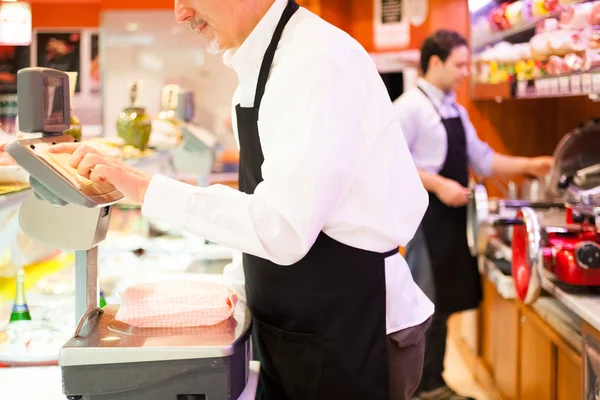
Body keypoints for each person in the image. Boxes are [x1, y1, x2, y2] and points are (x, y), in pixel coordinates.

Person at [49, 1, 434, 399]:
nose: (181, 14)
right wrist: (232, 291)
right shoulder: (261, 68)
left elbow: (283, 227)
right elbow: (263, 199)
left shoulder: (317, 61)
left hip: (353, 328)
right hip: (301, 331)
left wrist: (147, 189)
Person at [393, 30, 553, 400]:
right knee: (425, 307)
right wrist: (437, 184)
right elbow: (392, 164)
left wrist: (531, 164)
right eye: (460, 64)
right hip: (426, 221)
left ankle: (435, 381)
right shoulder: (408, 109)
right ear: (436, 63)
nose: (466, 72)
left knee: (444, 304)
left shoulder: (454, 109)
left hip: (453, 222)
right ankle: (419, 389)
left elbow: (482, 158)